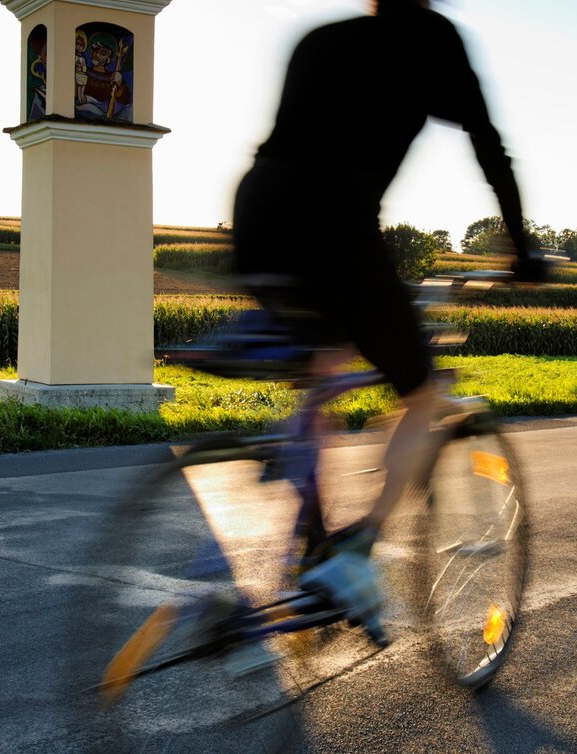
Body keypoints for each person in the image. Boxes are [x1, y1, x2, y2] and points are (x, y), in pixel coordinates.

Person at [231, 0, 542, 642]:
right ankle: (350, 554)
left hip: (258, 212)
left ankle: (306, 530)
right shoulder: (432, 39)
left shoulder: (323, 36)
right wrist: (522, 246)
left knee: (322, 362)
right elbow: (488, 145)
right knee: (423, 397)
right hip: (337, 224)